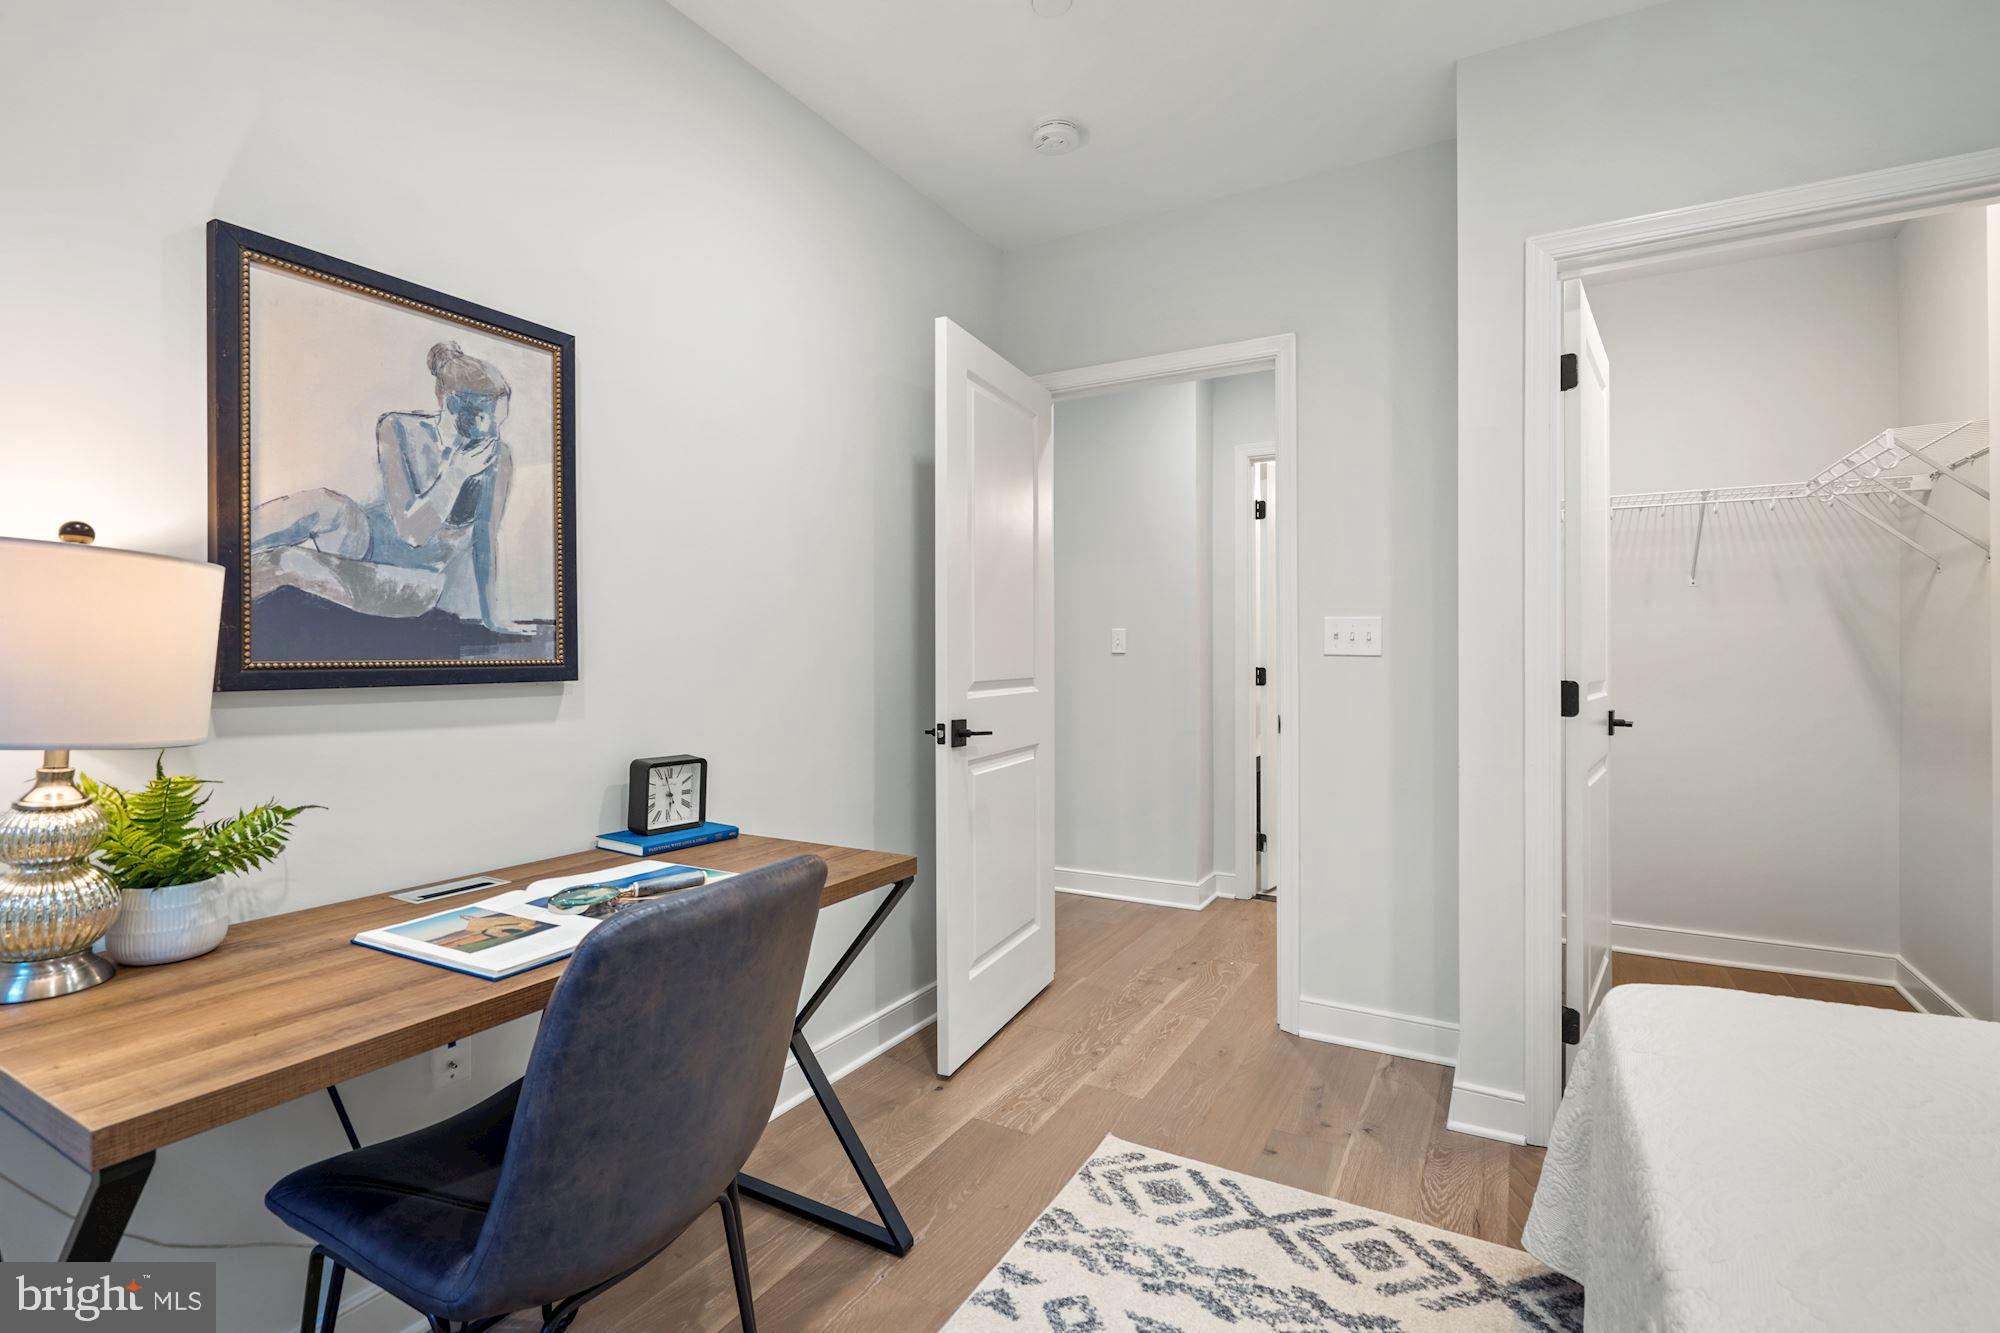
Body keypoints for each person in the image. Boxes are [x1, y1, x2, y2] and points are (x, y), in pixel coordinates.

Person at [248, 340, 531, 635]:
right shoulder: (397, 427)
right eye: (488, 420)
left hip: (410, 579)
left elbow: (456, 539)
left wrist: (493, 619)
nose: (494, 432)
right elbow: (406, 524)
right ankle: (226, 546)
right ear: (453, 404)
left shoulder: (497, 456)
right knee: (323, 502)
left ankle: (225, 591)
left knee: (286, 561)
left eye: (501, 421)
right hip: (364, 543)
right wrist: (455, 472)